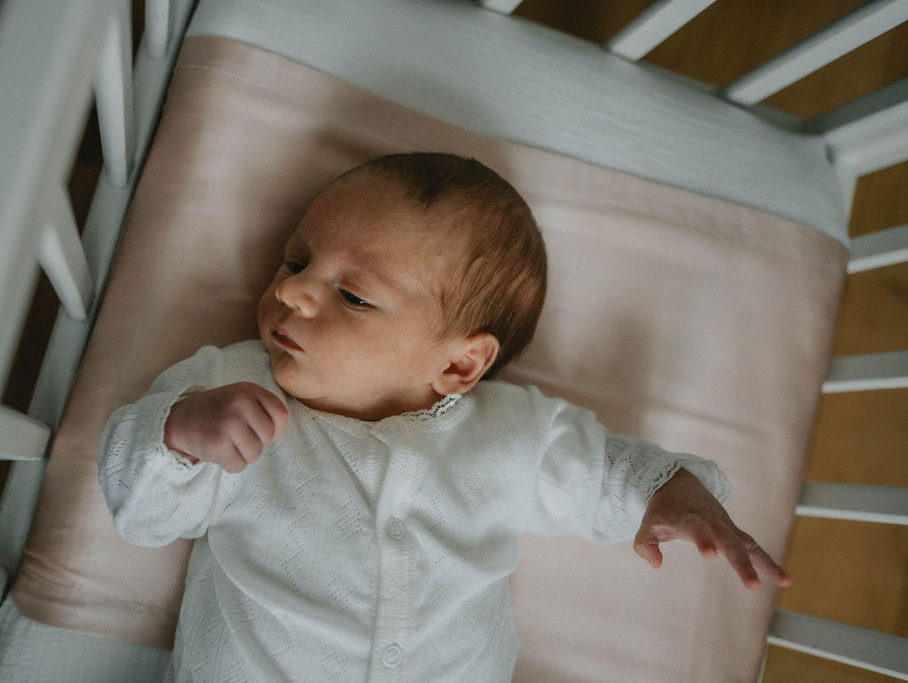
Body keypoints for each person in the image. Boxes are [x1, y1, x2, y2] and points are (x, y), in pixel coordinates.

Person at [99, 153, 791, 681]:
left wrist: (668, 490)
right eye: (296, 259)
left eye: (353, 296)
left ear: (460, 365)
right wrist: (180, 434)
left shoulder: (507, 434)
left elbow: (602, 472)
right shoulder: (231, 389)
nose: (291, 291)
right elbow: (141, 511)